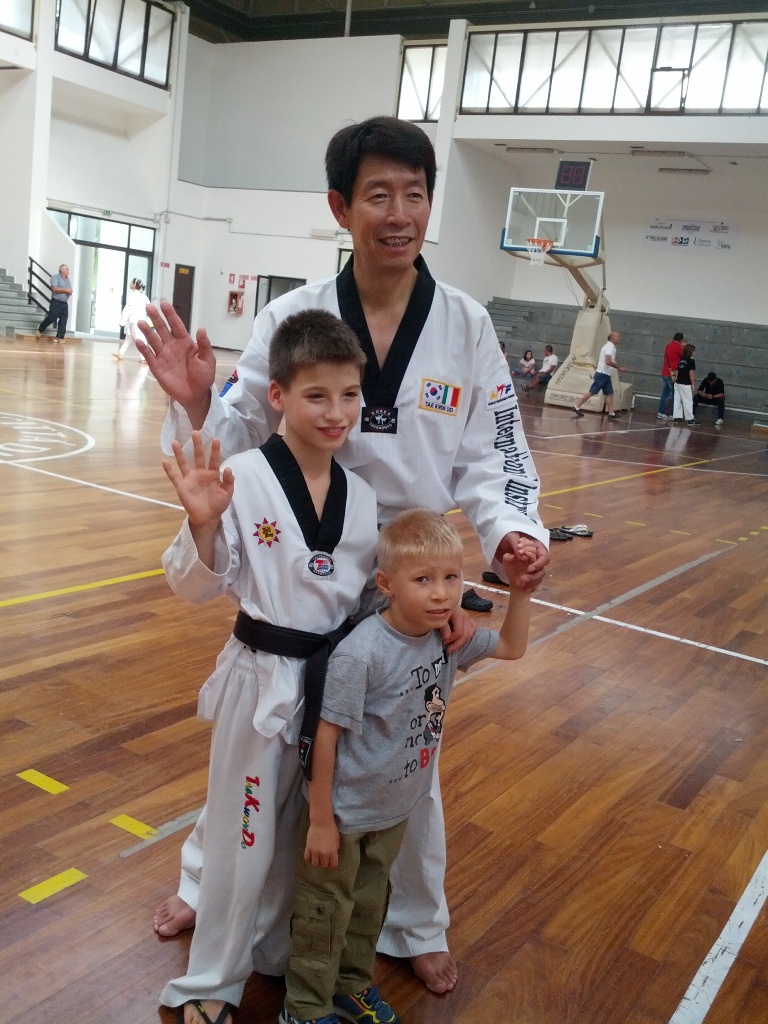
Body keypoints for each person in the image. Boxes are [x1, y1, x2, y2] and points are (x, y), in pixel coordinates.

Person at [139, 115, 550, 996]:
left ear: (430, 204)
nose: (399, 214)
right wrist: (200, 401)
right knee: (259, 756)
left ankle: (416, 921)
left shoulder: (467, 324)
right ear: (341, 206)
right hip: (304, 562)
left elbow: (495, 452)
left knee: (407, 759)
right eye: (378, 195)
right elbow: (240, 439)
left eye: (415, 194)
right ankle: (207, 888)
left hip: (411, 580)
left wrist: (513, 529)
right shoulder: (293, 316)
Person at [159, 309, 380, 1024]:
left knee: (299, 837)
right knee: (241, 837)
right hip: (260, 682)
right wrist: (201, 524)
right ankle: (210, 981)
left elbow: (362, 598)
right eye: (317, 395)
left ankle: (277, 954)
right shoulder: (241, 476)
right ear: (278, 395)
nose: (337, 412)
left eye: (350, 395)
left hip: (329, 689)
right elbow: (195, 584)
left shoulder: (363, 496)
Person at [280, 509, 534, 1024]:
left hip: (392, 810)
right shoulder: (362, 653)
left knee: (369, 905)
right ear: (386, 585)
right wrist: (322, 821)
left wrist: (521, 591)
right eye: (423, 580)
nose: (442, 594)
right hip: (342, 816)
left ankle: (350, 988)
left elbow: (512, 646)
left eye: (451, 578)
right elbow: (325, 737)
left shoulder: (448, 639)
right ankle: (303, 1009)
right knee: (323, 912)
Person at [572, 331, 626, 419]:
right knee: (592, 391)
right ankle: (577, 405)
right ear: (612, 337)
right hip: (602, 374)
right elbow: (607, 361)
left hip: (606, 374)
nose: (619, 338)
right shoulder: (609, 347)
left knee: (609, 393)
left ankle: (611, 413)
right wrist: (619, 367)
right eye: (618, 337)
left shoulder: (611, 347)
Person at [115, 278, 152, 361]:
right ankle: (121, 353)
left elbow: (127, 310)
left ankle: (145, 357)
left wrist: (122, 322)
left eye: (132, 282)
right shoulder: (144, 297)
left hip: (135, 321)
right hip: (140, 320)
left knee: (140, 339)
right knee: (128, 339)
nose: (130, 283)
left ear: (134, 285)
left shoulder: (133, 296)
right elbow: (149, 308)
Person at [36, 264, 72, 343]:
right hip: (56, 302)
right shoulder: (55, 277)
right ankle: (41, 328)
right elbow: (54, 289)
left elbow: (69, 290)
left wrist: (69, 292)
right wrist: (66, 290)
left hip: (64, 303)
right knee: (52, 317)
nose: (68, 271)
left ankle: (60, 337)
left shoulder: (67, 279)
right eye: (67, 269)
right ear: (62, 270)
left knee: (63, 320)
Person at [658, 331, 684, 421]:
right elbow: (683, 357)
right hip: (673, 373)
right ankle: (673, 414)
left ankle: (661, 412)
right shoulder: (678, 347)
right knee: (674, 394)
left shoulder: (668, 345)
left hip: (665, 372)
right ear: (680, 340)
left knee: (665, 393)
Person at [672, 342, 697, 425]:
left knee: (677, 400)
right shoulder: (691, 361)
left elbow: (677, 371)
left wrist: (675, 379)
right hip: (685, 383)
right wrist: (693, 384)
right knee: (688, 401)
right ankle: (690, 418)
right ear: (691, 351)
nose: (694, 352)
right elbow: (691, 373)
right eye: (693, 351)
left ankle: (677, 416)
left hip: (678, 382)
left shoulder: (681, 360)